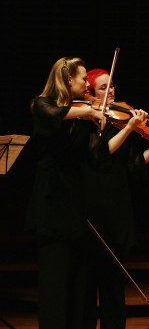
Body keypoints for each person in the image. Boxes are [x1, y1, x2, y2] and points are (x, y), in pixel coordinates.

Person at [81, 68, 149, 329]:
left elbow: (133, 166)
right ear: (89, 93)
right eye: (103, 87)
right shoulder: (86, 123)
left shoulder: (117, 120)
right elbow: (99, 156)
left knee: (114, 288)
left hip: (117, 208)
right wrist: (129, 127)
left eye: (112, 85)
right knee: (87, 288)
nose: (111, 91)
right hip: (92, 209)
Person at [25, 57, 106, 329]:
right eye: (83, 79)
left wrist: (100, 129)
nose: (87, 84)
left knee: (78, 285)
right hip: (51, 206)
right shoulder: (41, 104)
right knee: (54, 284)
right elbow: (54, 115)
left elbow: (94, 158)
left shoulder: (83, 115)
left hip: (76, 206)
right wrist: (88, 113)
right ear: (68, 79)